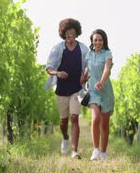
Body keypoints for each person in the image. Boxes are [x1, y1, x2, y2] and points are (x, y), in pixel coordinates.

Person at [45, 18, 90, 159]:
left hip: (77, 88)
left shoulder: (83, 49)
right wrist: (57, 73)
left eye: (73, 33)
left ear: (77, 33)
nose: (71, 36)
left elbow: (89, 64)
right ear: (64, 34)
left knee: (74, 117)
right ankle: (65, 137)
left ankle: (74, 151)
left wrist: (85, 75)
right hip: (62, 90)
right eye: (68, 33)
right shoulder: (58, 48)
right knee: (64, 121)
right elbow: (49, 67)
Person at [81, 29, 114, 161]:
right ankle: (95, 150)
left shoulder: (107, 53)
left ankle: (103, 152)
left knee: (105, 124)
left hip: (105, 92)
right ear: (92, 41)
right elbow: (87, 69)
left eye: (100, 40)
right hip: (93, 92)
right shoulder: (89, 54)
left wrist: (101, 81)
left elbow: (107, 68)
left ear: (104, 41)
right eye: (95, 40)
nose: (98, 42)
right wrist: (83, 78)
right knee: (95, 118)